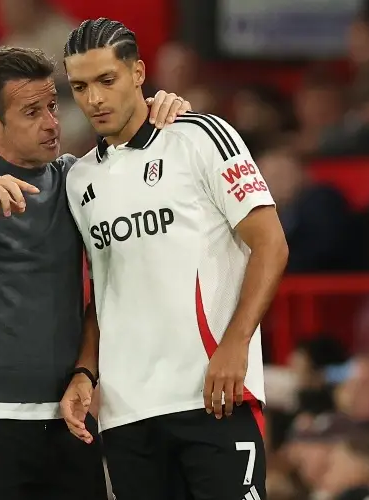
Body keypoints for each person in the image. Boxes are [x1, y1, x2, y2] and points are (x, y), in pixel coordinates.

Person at [0, 45, 190, 500]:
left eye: (53, 105)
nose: (52, 122)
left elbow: (142, 166)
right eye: (32, 111)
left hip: (67, 417)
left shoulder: (74, 177)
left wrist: (168, 115)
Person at [60, 18, 289, 500]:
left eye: (107, 80)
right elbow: (104, 293)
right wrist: (86, 371)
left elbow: (270, 243)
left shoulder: (200, 137)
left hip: (213, 396)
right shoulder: (79, 181)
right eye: (80, 86)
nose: (94, 99)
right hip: (126, 415)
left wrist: (236, 346)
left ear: (139, 72)